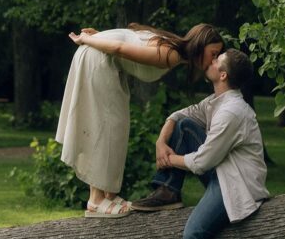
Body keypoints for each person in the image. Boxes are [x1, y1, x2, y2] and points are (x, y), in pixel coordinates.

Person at [130, 48, 269, 239]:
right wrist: (161, 139)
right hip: (222, 171)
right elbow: (184, 115)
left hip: (236, 184)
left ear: (223, 75)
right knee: (184, 126)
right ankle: (169, 191)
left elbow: (202, 161)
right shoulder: (218, 101)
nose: (211, 60)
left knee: (194, 233)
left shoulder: (232, 112)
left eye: (218, 60)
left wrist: (169, 159)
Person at [55, 24, 224, 219]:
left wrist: (100, 36)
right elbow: (119, 47)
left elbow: (129, 37)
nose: (215, 60)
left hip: (102, 59)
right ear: (200, 46)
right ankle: (96, 199)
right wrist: (86, 40)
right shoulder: (171, 54)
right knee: (104, 125)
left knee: (117, 126)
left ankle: (109, 194)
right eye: (213, 53)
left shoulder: (171, 47)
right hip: (97, 60)